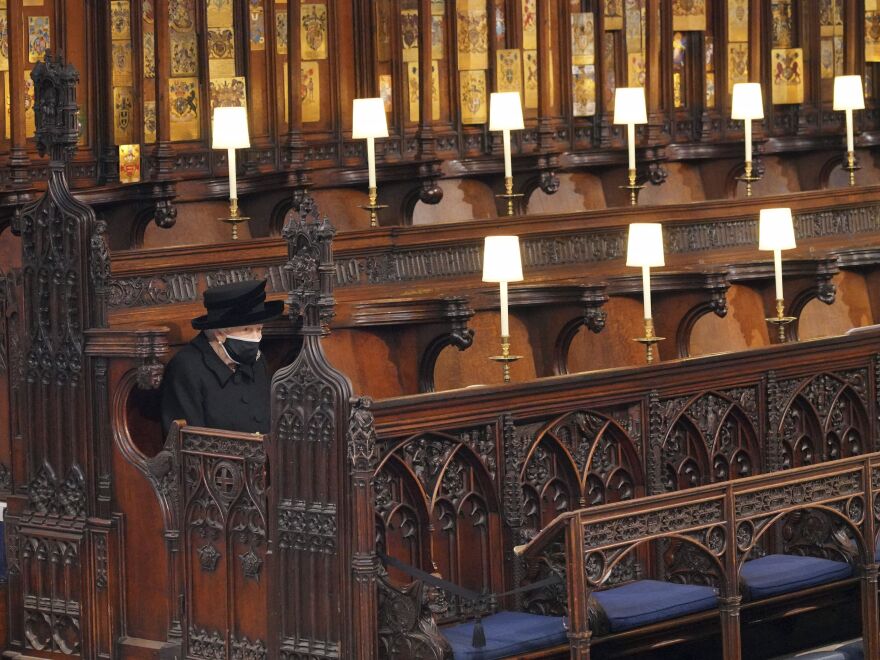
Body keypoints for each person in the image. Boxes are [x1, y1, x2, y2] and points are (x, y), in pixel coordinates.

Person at [161, 279, 283, 436]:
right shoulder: (186, 368)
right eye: (246, 329)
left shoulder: (259, 361)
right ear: (219, 332)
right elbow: (187, 443)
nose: (256, 337)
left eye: (259, 329)